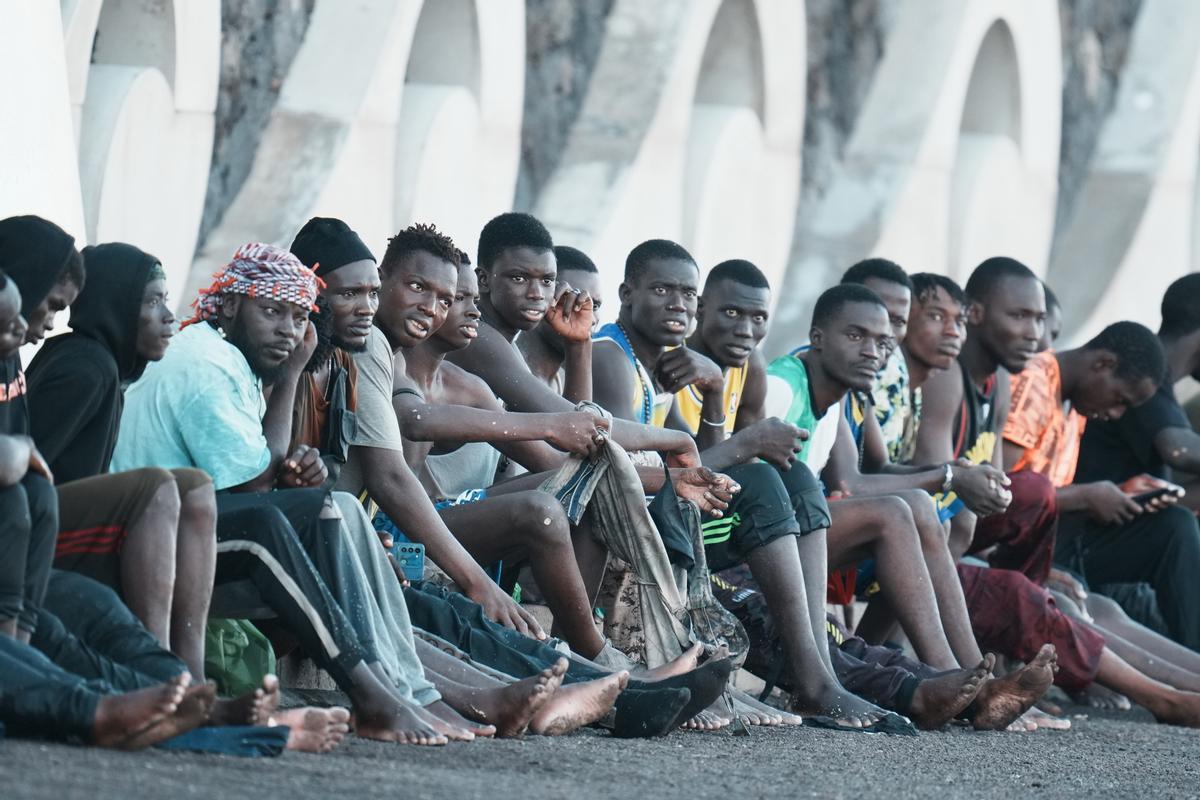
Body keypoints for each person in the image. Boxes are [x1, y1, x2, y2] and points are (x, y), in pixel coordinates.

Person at [111, 241, 455, 744]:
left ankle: (408, 691)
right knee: (282, 525)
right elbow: (254, 483)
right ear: (229, 305)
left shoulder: (233, 360)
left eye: (298, 319)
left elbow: (260, 472)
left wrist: (300, 473)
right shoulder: (207, 362)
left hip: (189, 525)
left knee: (337, 511)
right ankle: (378, 695)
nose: (287, 332)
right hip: (147, 540)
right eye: (271, 312)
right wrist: (294, 373)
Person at [24, 242, 218, 679]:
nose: (169, 315)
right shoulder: (86, 367)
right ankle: (158, 667)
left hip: (58, 524)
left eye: (165, 300)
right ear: (116, 305)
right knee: (155, 488)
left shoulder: (105, 366)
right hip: (30, 535)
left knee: (196, 486)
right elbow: (28, 469)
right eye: (152, 301)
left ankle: (192, 669)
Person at [1062, 273, 1200, 651]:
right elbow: (1179, 450)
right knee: (1176, 528)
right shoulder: (1140, 377)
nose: (1120, 410)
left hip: (1100, 546)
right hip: (1073, 548)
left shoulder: (1151, 380)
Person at [914, 257, 1058, 582]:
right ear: (975, 314)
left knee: (1049, 600)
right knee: (1035, 491)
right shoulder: (946, 375)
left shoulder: (1001, 382)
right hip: (921, 544)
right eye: (1019, 316)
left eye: (1040, 319)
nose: (1034, 334)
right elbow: (938, 486)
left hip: (958, 541)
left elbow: (996, 489)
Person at [0, 249, 57, 643]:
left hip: (28, 528)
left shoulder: (9, 356)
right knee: (18, 504)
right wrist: (23, 446)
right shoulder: (88, 369)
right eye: (4, 324)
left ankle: (23, 636)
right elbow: (7, 462)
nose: (18, 329)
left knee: (38, 496)